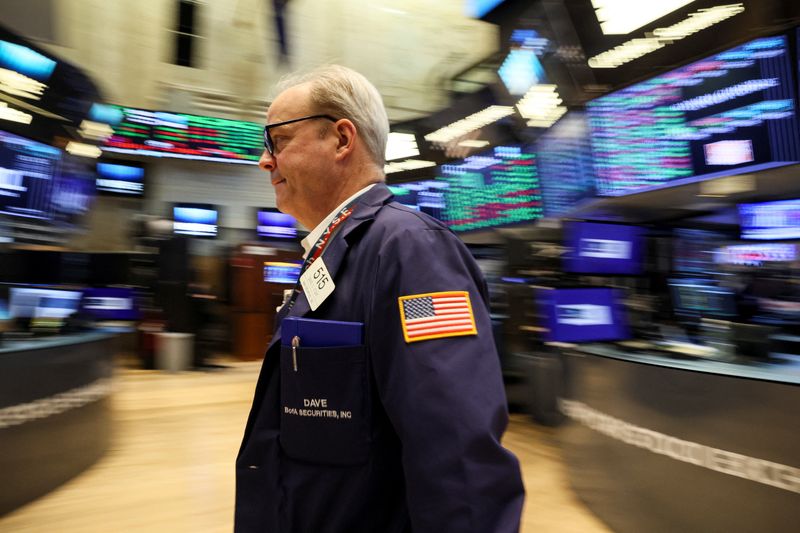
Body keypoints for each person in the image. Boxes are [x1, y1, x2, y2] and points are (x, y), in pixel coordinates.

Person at [235, 64, 524, 533]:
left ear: (341, 139)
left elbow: (457, 453)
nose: (265, 161)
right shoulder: (335, 253)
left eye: (278, 141)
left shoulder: (411, 250)